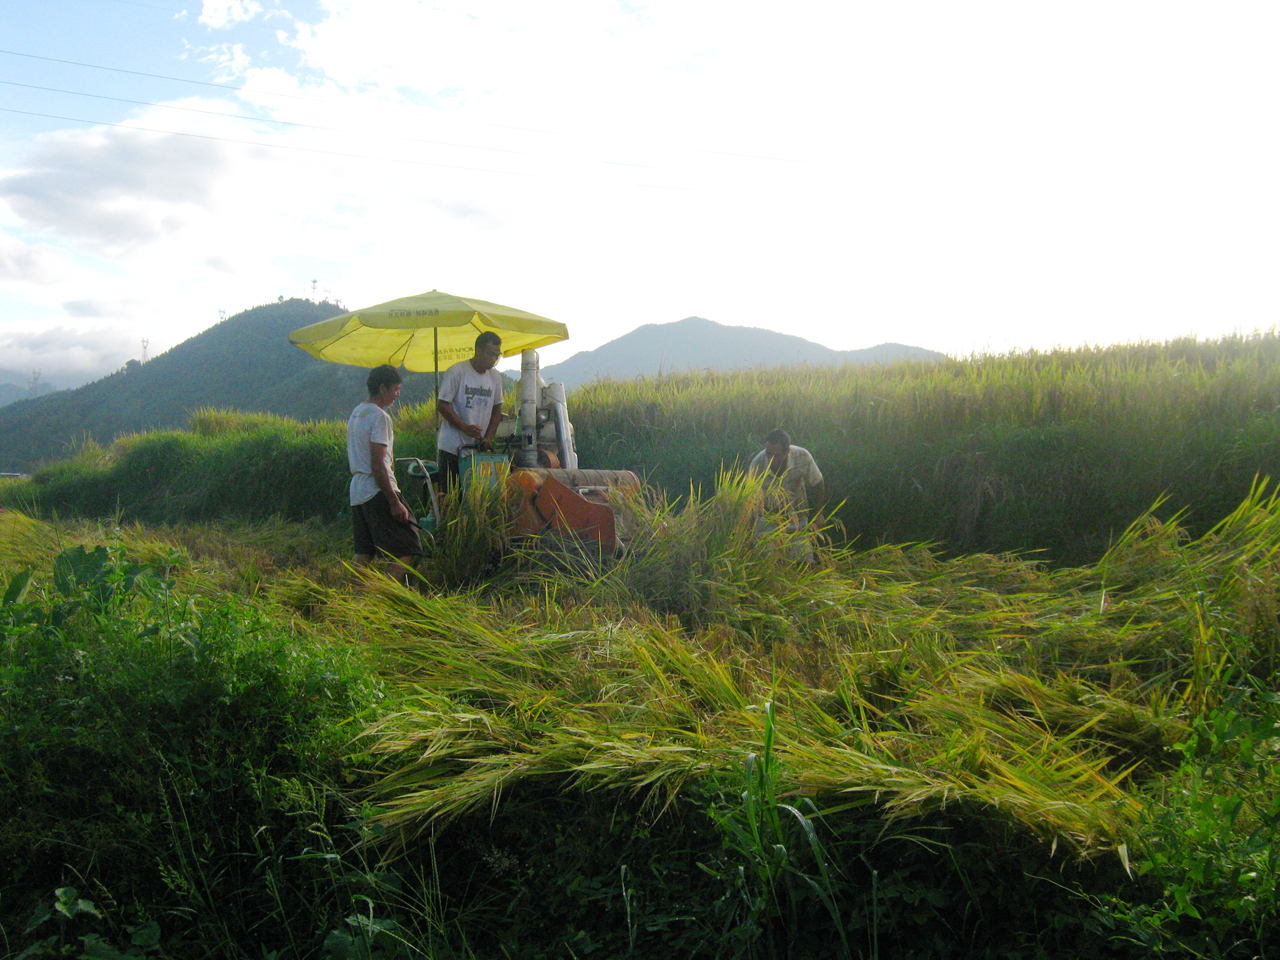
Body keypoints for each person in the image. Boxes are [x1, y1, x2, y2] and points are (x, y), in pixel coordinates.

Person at [348, 363, 421, 574]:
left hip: (358, 491)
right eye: (395, 389)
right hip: (376, 490)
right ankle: (384, 591)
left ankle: (354, 593)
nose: (398, 394)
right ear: (382, 388)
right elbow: (378, 464)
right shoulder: (380, 417)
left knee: (365, 552)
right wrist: (394, 501)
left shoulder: (357, 412)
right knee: (409, 548)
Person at [435, 331, 504, 487]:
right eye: (491, 354)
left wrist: (489, 437)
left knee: (478, 494)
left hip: (478, 449)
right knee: (452, 494)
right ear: (478, 350)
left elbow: (497, 409)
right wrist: (464, 427)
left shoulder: (495, 377)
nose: (494, 359)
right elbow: (442, 405)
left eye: (497, 355)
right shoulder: (457, 372)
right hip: (453, 447)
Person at [748, 429, 826, 559]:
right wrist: (750, 528)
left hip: (796, 516)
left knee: (804, 561)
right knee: (765, 561)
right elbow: (750, 498)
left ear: (787, 452)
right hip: (767, 519)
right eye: (768, 454)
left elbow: (817, 482)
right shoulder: (757, 464)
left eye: (776, 456)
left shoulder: (802, 457)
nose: (771, 459)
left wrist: (819, 513)